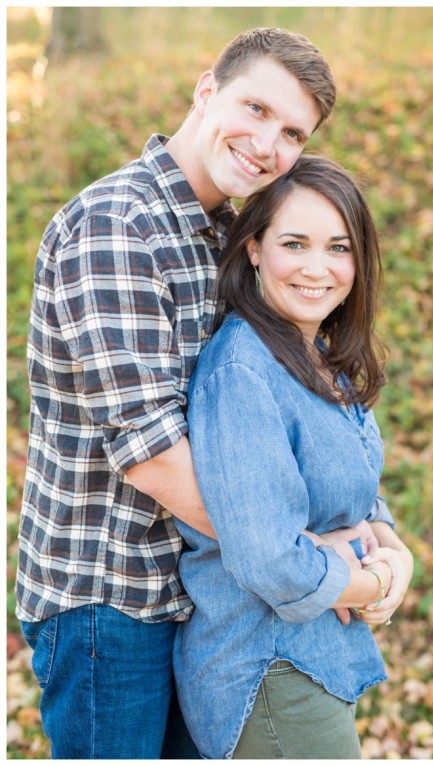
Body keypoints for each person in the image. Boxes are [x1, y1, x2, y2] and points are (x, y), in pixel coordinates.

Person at [15, 28, 352, 759]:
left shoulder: (227, 235)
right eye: (255, 109)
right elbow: (151, 456)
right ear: (207, 91)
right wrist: (298, 555)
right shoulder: (116, 227)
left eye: (292, 132)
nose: (267, 145)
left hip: (200, 593)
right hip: (111, 600)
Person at [172, 155, 412, 759]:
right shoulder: (241, 372)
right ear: (253, 248)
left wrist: (396, 552)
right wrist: (372, 581)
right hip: (266, 664)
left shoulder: (321, 354)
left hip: (314, 655)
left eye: (338, 248)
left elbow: (347, 486)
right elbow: (268, 556)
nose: (316, 268)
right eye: (294, 243)